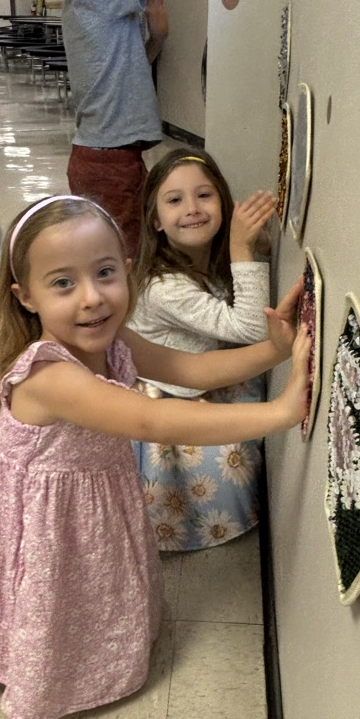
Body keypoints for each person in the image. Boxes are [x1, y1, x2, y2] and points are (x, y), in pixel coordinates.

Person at [0, 195, 309, 719]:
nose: (92, 298)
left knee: (77, 580)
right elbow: (151, 421)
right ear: (26, 297)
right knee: (28, 580)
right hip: (38, 510)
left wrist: (274, 352)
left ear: (128, 272)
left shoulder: (114, 341)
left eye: (105, 272)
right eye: (63, 283)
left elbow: (189, 367)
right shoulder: (52, 377)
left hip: (86, 496)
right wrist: (279, 411)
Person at [42, 0, 202, 255]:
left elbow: (120, 70)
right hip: (108, 161)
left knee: (131, 248)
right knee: (127, 255)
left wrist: (158, 39)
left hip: (105, 157)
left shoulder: (87, 0)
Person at [129, 149, 277, 551]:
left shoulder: (201, 256)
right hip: (167, 394)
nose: (192, 209)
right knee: (230, 456)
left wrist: (254, 241)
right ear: (155, 220)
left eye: (204, 196)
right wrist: (242, 249)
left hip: (194, 374)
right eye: (174, 200)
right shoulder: (163, 286)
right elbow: (252, 329)